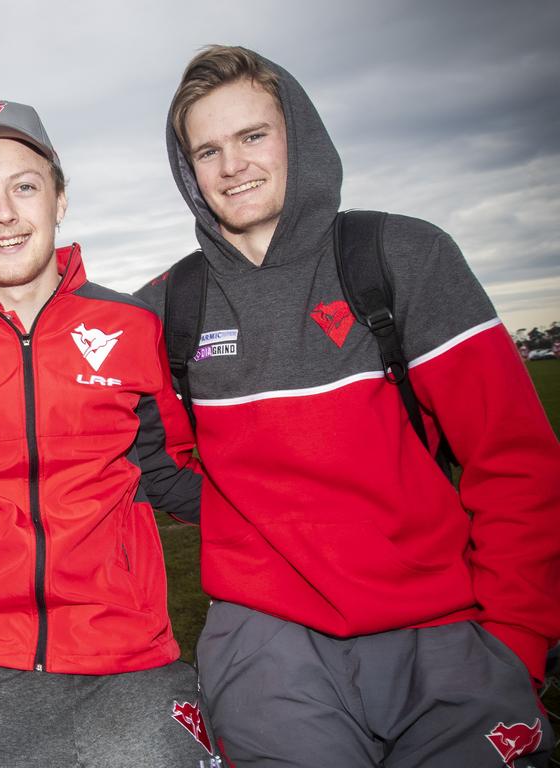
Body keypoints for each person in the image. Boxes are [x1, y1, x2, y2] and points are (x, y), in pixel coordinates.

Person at [136, 45, 560, 767]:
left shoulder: (403, 255)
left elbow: (514, 463)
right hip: (267, 645)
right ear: (188, 172)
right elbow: (152, 460)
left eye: (252, 136)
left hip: (447, 629)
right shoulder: (169, 306)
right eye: (207, 150)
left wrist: (517, 638)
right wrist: (254, 521)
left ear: (298, 135)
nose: (232, 165)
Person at [0, 99, 211, 767]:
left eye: (25, 186)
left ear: (59, 200)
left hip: (128, 658)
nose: (3, 213)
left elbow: (173, 473)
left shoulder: (130, 327)